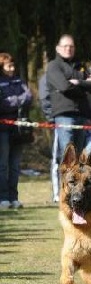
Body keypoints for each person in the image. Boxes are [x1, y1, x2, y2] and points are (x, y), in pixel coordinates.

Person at [46, 34, 91, 159]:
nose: (68, 49)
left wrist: (79, 83)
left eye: (71, 46)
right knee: (68, 157)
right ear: (58, 48)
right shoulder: (54, 66)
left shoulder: (80, 66)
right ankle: (63, 180)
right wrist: (84, 87)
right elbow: (64, 86)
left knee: (79, 157)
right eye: (65, 46)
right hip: (64, 115)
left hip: (82, 114)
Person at [0, 53, 33, 209]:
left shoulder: (19, 80)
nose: (12, 69)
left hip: (18, 129)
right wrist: (18, 100)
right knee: (3, 165)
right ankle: (3, 198)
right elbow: (3, 104)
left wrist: (14, 101)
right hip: (3, 129)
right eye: (9, 66)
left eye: (13, 65)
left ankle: (14, 197)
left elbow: (28, 96)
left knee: (14, 165)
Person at [38, 71, 60, 202]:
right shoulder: (49, 75)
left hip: (82, 122)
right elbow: (44, 99)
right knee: (58, 158)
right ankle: (57, 194)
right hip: (59, 122)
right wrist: (52, 118)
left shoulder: (77, 70)